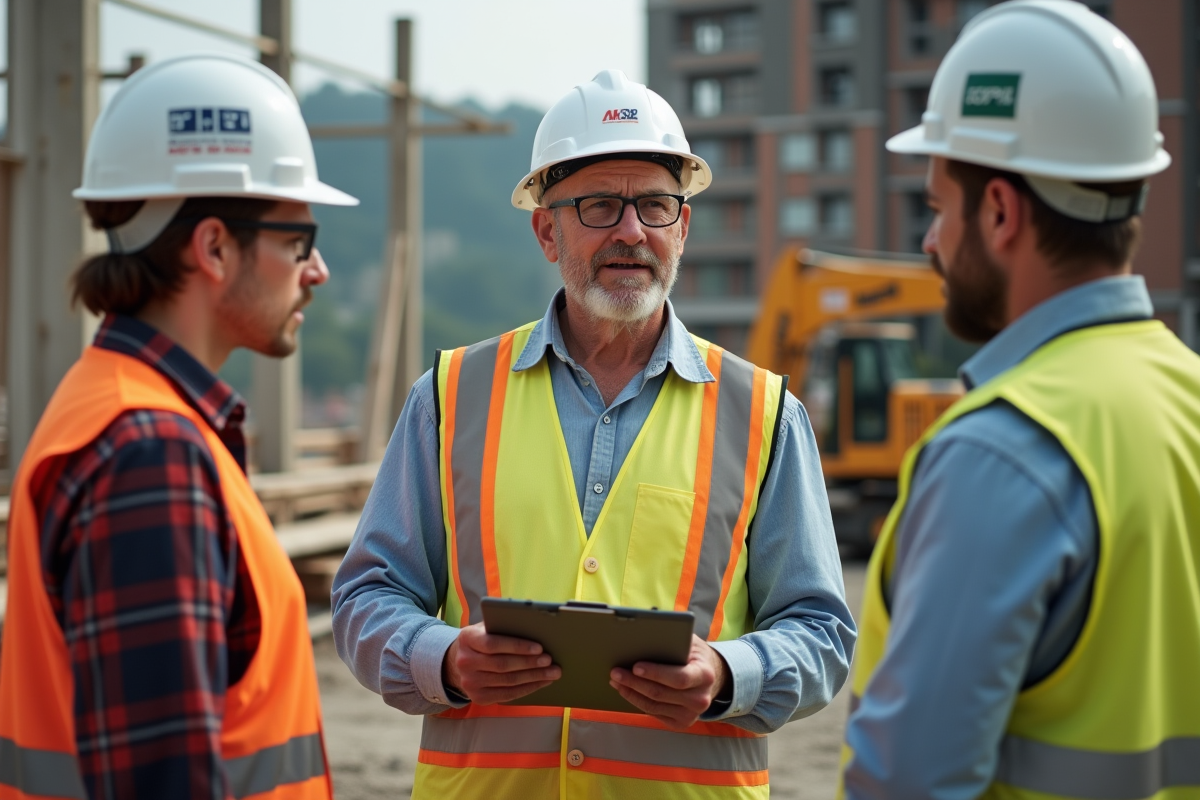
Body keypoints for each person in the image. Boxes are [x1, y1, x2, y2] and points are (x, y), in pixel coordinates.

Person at [332, 69, 856, 799]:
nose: (632, 231)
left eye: (655, 205)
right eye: (601, 206)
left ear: (684, 226)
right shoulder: (451, 398)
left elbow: (823, 632)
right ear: (548, 230)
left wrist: (729, 674)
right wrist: (444, 659)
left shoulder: (763, 412)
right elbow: (367, 595)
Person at [839, 2, 1200, 798]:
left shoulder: (998, 453)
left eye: (936, 209)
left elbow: (909, 782)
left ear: (1000, 211)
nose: (929, 243)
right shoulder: (1188, 398)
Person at [0, 54, 358, 800]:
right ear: (216, 247)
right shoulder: (150, 452)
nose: (316, 270)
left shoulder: (110, 406)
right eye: (299, 241)